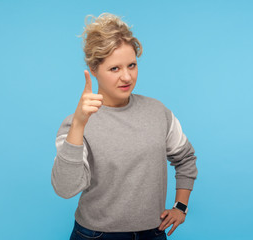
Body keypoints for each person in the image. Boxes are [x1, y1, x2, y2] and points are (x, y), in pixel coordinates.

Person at [51, 13, 198, 240]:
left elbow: (186, 158)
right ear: (94, 68)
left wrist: (181, 206)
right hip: (96, 235)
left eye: (132, 65)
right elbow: (65, 188)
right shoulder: (75, 122)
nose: (127, 77)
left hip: (153, 233)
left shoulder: (157, 111)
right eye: (114, 69)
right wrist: (80, 124)